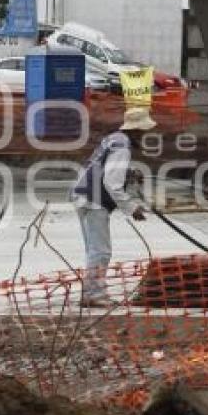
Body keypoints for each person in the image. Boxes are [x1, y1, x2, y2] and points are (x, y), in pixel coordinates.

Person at [72, 107, 155, 307]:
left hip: (82, 194)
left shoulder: (113, 139)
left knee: (93, 249)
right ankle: (94, 295)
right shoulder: (123, 146)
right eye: (144, 132)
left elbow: (103, 166)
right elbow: (111, 182)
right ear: (136, 131)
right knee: (101, 251)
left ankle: (91, 293)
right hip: (94, 199)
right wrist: (132, 207)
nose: (145, 137)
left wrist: (130, 171)